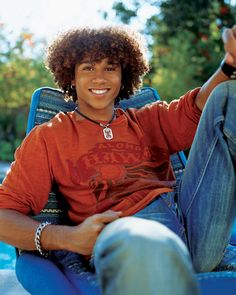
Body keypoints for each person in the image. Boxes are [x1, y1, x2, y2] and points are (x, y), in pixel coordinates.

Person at [0, 24, 235, 295]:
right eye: (88, 67)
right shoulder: (49, 136)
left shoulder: (147, 119)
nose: (100, 77)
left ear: (124, 75)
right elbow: (4, 215)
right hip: (125, 234)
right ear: (72, 77)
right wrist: (69, 238)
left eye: (110, 67)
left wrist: (229, 64)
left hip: (197, 229)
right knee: (142, 240)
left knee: (227, 95)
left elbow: (201, 107)